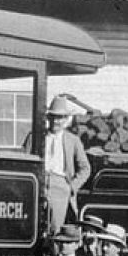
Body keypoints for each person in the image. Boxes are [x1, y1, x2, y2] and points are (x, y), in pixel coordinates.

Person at [41, 94, 92, 237]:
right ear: (48, 118)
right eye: (53, 117)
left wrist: (71, 187)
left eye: (61, 117)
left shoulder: (73, 140)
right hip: (39, 184)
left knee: (55, 230)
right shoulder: (36, 136)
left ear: (66, 120)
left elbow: (85, 168)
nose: (56, 121)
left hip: (60, 186)